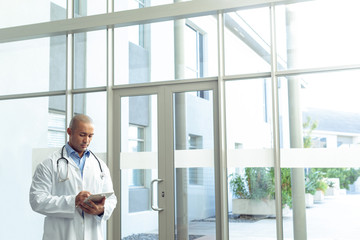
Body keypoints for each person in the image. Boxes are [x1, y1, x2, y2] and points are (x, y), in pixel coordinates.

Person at [29, 114, 117, 240]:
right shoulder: (48, 164)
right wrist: (73, 201)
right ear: (69, 132)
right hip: (60, 234)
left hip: (92, 234)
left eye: (90, 136)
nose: (86, 140)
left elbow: (111, 198)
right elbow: (37, 200)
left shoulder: (100, 165)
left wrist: (101, 210)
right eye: (82, 135)